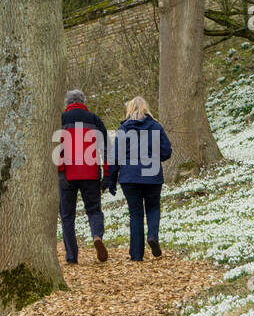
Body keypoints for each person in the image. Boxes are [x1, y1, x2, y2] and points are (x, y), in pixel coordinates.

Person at [108, 96, 171, 261]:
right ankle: (153, 236)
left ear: (129, 109)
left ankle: (136, 254)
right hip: (152, 175)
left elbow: (115, 157)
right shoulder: (156, 127)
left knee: (135, 213)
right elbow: (166, 152)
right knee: (153, 208)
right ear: (146, 108)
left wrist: (111, 179)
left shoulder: (123, 129)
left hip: (129, 176)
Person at [55, 89, 109, 264]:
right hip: (90, 173)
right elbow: (106, 149)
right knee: (94, 210)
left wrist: (58, 171)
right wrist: (107, 175)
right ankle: (96, 236)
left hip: (66, 174)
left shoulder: (60, 120)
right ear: (83, 102)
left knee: (67, 216)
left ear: (67, 103)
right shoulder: (95, 120)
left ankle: (72, 256)